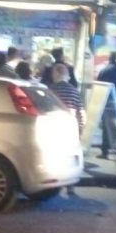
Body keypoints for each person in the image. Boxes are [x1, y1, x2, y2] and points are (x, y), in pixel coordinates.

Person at [48, 63, 84, 196]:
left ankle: (54, 183)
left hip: (54, 126)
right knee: (69, 157)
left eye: (53, 73)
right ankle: (70, 185)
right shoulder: (74, 90)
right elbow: (81, 112)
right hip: (70, 128)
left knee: (53, 156)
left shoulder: (51, 90)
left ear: (57, 74)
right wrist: (81, 128)